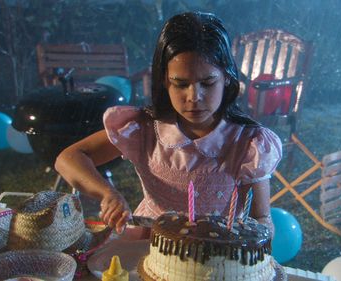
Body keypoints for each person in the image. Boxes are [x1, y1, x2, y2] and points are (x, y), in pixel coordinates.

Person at [54, 11, 282, 238]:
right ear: (164, 81)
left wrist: (257, 243)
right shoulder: (143, 129)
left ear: (228, 78)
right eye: (181, 84)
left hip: (216, 255)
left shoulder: (248, 144)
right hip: (148, 242)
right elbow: (69, 158)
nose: (194, 96)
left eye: (208, 83)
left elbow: (261, 218)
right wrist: (107, 193)